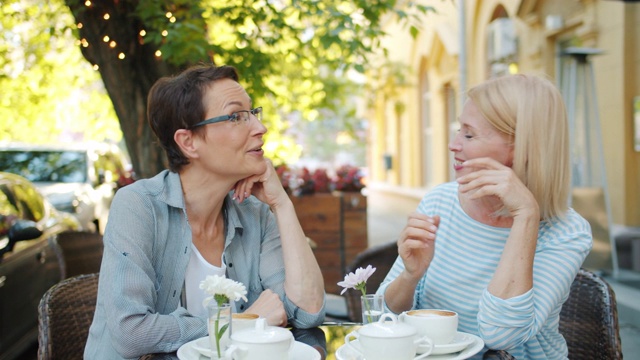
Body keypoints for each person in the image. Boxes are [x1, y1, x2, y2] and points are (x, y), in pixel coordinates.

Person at [84, 64, 326, 359]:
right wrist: (243, 322)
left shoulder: (255, 211)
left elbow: (307, 312)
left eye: (253, 113)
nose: (260, 128)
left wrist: (282, 205)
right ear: (188, 142)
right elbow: (131, 333)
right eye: (237, 116)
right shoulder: (138, 205)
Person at [376, 74, 592, 359]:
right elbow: (381, 313)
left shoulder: (566, 231)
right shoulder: (440, 201)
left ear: (521, 148)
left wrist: (525, 215)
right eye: (458, 130)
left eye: (468, 134)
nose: (453, 144)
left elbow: (501, 335)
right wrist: (411, 275)